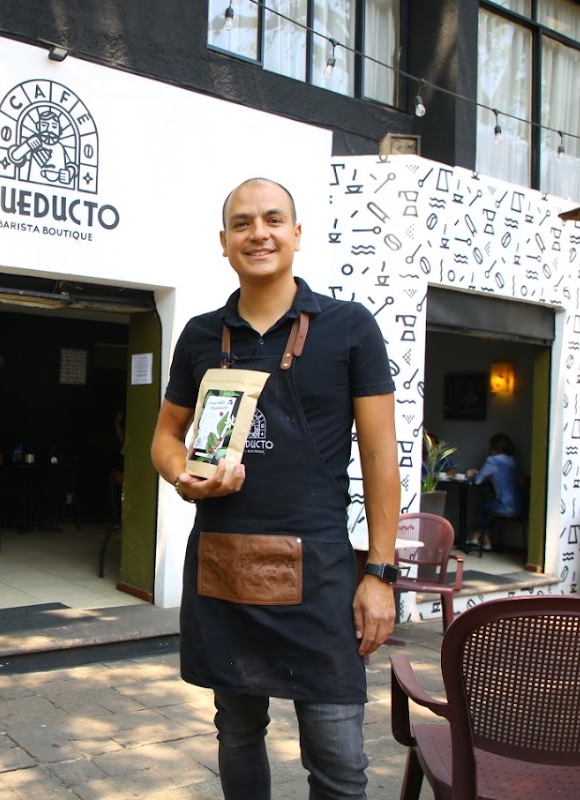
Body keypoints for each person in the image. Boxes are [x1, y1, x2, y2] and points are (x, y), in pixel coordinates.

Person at [150, 177, 399, 799]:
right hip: (224, 566)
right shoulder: (201, 336)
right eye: (242, 223)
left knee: (339, 761)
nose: (258, 233)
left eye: (272, 219)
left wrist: (380, 573)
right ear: (224, 242)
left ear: (296, 233)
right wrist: (184, 476)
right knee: (236, 734)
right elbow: (165, 437)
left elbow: (379, 456)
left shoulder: (349, 326)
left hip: (320, 573)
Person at [465, 433, 523, 550]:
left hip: (505, 505)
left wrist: (471, 474)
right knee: (490, 505)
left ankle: (479, 536)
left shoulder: (493, 460)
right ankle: (484, 538)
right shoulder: (514, 461)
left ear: (494, 447)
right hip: (521, 505)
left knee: (481, 508)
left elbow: (477, 481)